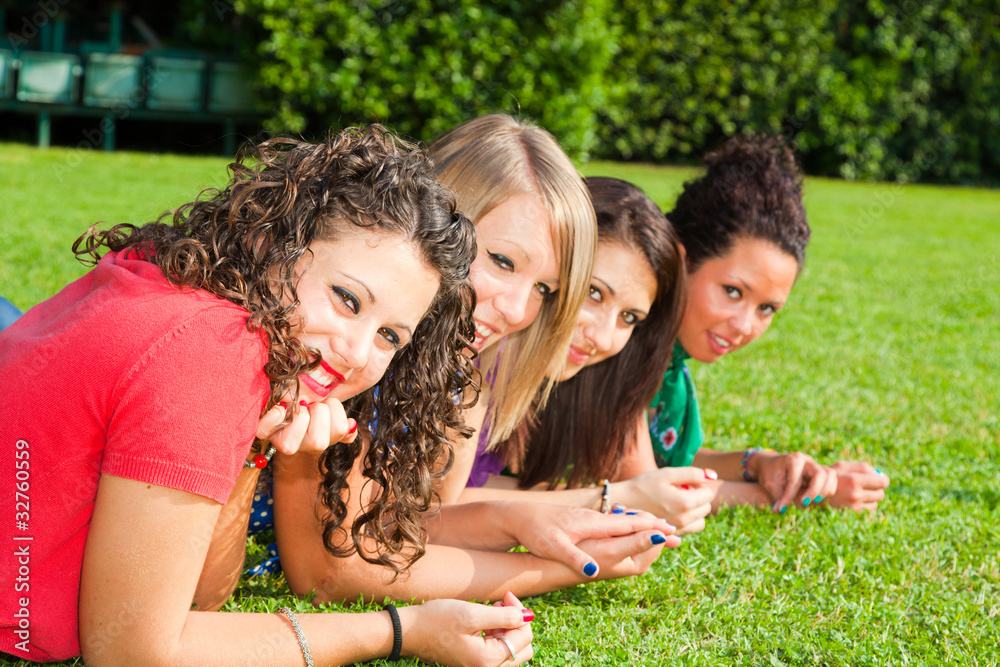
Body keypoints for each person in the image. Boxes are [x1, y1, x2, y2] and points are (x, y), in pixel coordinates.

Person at [0, 126, 537, 666]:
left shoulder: (189, 297)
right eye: (347, 299)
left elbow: (201, 599)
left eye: (389, 337)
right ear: (269, 244)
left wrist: (256, 446)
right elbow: (132, 654)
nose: (356, 353)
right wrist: (402, 630)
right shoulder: (209, 348)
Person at [272, 115, 678, 606]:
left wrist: (516, 520)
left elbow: (409, 519)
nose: (517, 310)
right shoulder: (349, 346)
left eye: (543, 288)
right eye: (503, 262)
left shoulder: (452, 372)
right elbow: (330, 571)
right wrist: (556, 566)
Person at [623, 133, 890, 514]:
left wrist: (761, 463)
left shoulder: (664, 352)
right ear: (680, 260)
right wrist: (808, 497)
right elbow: (651, 492)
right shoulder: (622, 339)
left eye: (766, 308)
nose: (745, 326)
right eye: (733, 291)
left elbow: (664, 455)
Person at [457, 177, 717, 535]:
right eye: (594, 294)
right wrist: (608, 499)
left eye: (629, 318)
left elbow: (653, 490)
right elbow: (432, 507)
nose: (603, 337)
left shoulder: (575, 376)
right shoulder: (472, 352)